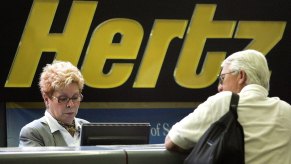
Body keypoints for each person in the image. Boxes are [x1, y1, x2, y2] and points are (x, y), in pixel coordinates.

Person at [165, 49, 291, 163]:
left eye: (222, 78)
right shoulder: (286, 110)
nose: (219, 87)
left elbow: (173, 141)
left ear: (241, 76)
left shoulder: (225, 101)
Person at [19, 60, 89, 147]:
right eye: (63, 99)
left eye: (75, 98)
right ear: (46, 99)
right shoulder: (33, 132)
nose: (71, 104)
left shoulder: (87, 127)